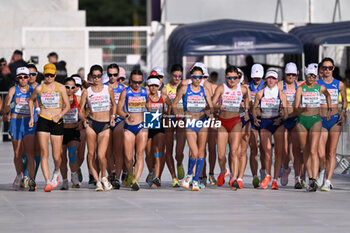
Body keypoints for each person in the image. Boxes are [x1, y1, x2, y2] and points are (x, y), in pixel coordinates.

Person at [28, 63, 70, 192]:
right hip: (43, 120)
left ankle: (56, 172)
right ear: (44, 75)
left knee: (57, 156)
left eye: (51, 75)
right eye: (47, 75)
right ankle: (47, 181)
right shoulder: (39, 88)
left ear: (55, 75)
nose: (49, 77)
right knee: (44, 152)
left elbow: (67, 105)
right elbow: (31, 100)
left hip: (57, 121)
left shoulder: (61, 88)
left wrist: (60, 115)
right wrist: (32, 116)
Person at [173, 64, 214, 191]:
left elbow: (211, 106)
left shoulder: (205, 90)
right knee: (194, 152)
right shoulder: (185, 89)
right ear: (191, 77)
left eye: (199, 77)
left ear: (202, 78)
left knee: (201, 152)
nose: (197, 79)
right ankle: (189, 175)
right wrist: (179, 117)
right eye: (195, 77)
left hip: (202, 123)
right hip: (189, 123)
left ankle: (196, 181)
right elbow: (174, 104)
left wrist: (211, 115)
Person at [294, 63, 331, 192]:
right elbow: (295, 107)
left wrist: (329, 109)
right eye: (309, 76)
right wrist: (302, 108)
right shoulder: (300, 89)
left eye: (313, 76)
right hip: (302, 120)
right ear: (305, 76)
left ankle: (314, 178)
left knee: (314, 150)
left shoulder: (320, 88)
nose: (311, 78)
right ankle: (310, 178)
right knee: (305, 150)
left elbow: (328, 95)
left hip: (315, 119)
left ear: (316, 77)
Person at [79, 65, 116, 191]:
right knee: (90, 154)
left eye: (99, 76)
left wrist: (113, 117)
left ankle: (104, 176)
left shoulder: (108, 89)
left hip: (105, 124)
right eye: (94, 76)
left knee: (101, 156)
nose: (96, 79)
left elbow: (114, 104)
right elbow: (81, 110)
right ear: (90, 77)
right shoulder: (86, 91)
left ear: (102, 76)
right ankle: (97, 180)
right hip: (91, 123)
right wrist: (84, 119)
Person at [212, 65, 249, 190]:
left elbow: (247, 99)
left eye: (235, 78)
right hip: (222, 121)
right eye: (229, 78)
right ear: (226, 77)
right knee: (221, 155)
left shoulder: (243, 89)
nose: (232, 80)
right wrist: (218, 107)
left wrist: (246, 106)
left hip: (236, 122)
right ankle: (223, 171)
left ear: (238, 78)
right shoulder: (221, 88)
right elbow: (212, 104)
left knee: (234, 152)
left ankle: (234, 178)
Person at [252, 70, 288, 190]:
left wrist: (282, 118)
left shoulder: (281, 93)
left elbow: (287, 110)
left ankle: (275, 180)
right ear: (266, 79)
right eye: (269, 78)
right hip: (265, 122)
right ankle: (267, 175)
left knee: (278, 153)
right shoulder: (260, 93)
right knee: (267, 152)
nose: (271, 80)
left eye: (273, 78)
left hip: (277, 123)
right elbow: (254, 107)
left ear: (277, 80)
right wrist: (256, 117)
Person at [317, 58, 347, 191]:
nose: (327, 70)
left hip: (335, 119)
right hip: (321, 119)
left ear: (333, 68)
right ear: (321, 69)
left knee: (331, 152)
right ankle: (322, 171)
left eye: (329, 68)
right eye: (324, 68)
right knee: (321, 153)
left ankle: (328, 181)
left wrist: (343, 112)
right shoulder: (317, 83)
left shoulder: (339, 84)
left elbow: (345, 100)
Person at [4, 67, 36, 191]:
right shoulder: (13, 90)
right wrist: (13, 104)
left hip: (28, 122)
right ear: (17, 78)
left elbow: (38, 107)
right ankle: (19, 175)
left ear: (29, 78)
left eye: (25, 77)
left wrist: (35, 118)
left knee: (29, 153)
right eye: (20, 77)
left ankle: (31, 179)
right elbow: (4, 110)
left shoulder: (33, 90)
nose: (23, 79)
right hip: (15, 122)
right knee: (17, 153)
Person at [117, 69, 149, 191]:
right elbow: (118, 109)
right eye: (134, 82)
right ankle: (130, 175)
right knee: (128, 156)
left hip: (142, 125)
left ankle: (136, 179)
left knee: (140, 154)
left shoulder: (145, 91)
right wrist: (125, 116)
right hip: (129, 127)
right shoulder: (126, 92)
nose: (136, 85)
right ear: (130, 81)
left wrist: (151, 107)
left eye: (139, 82)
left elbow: (150, 105)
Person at [278, 62, 303, 189]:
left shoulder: (299, 85)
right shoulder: (279, 85)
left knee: (296, 151)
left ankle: (297, 178)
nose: (291, 77)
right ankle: (286, 168)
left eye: (293, 75)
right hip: (283, 120)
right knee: (285, 150)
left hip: (295, 119)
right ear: (285, 74)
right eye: (289, 74)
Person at [161, 64, 185, 187]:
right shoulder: (165, 88)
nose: (177, 78)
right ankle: (174, 177)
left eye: (179, 76)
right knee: (168, 149)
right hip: (170, 119)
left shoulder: (185, 87)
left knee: (179, 152)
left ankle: (179, 163)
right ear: (171, 75)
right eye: (175, 75)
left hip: (181, 119)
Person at [145, 75, 171, 188]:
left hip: (159, 125)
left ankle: (156, 177)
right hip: (148, 125)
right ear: (148, 86)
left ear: (159, 86)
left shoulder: (163, 97)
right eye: (151, 86)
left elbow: (171, 104)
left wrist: (167, 114)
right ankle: (151, 172)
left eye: (156, 85)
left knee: (158, 150)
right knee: (148, 153)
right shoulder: (145, 97)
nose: (154, 88)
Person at [104, 63, 125, 189]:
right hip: (105, 119)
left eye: (115, 75)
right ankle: (111, 173)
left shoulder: (123, 88)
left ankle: (117, 177)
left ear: (118, 75)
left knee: (118, 150)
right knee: (107, 151)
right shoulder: (104, 87)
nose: (112, 77)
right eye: (110, 75)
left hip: (119, 120)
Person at [60, 77, 81, 190]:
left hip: (73, 130)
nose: (69, 89)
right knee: (62, 158)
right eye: (67, 87)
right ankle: (64, 181)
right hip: (62, 131)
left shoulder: (78, 98)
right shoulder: (60, 99)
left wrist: (82, 121)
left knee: (72, 153)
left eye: (72, 87)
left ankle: (74, 175)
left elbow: (85, 111)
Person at [248, 64, 266, 187]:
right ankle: (254, 176)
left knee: (264, 149)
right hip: (251, 120)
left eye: (258, 77)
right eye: (255, 77)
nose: (256, 79)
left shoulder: (267, 86)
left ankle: (263, 172)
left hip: (264, 119)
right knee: (253, 148)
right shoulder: (247, 87)